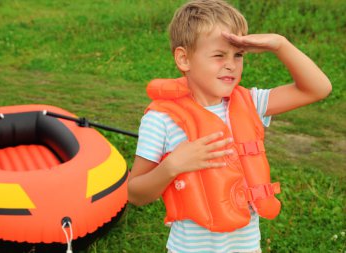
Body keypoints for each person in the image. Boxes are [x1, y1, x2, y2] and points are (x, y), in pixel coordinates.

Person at [128, 0, 332, 252]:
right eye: (218, 55)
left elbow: (318, 88)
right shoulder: (161, 119)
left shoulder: (251, 103)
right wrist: (172, 166)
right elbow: (135, 193)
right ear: (183, 59)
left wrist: (280, 44)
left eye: (238, 55)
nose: (231, 64)